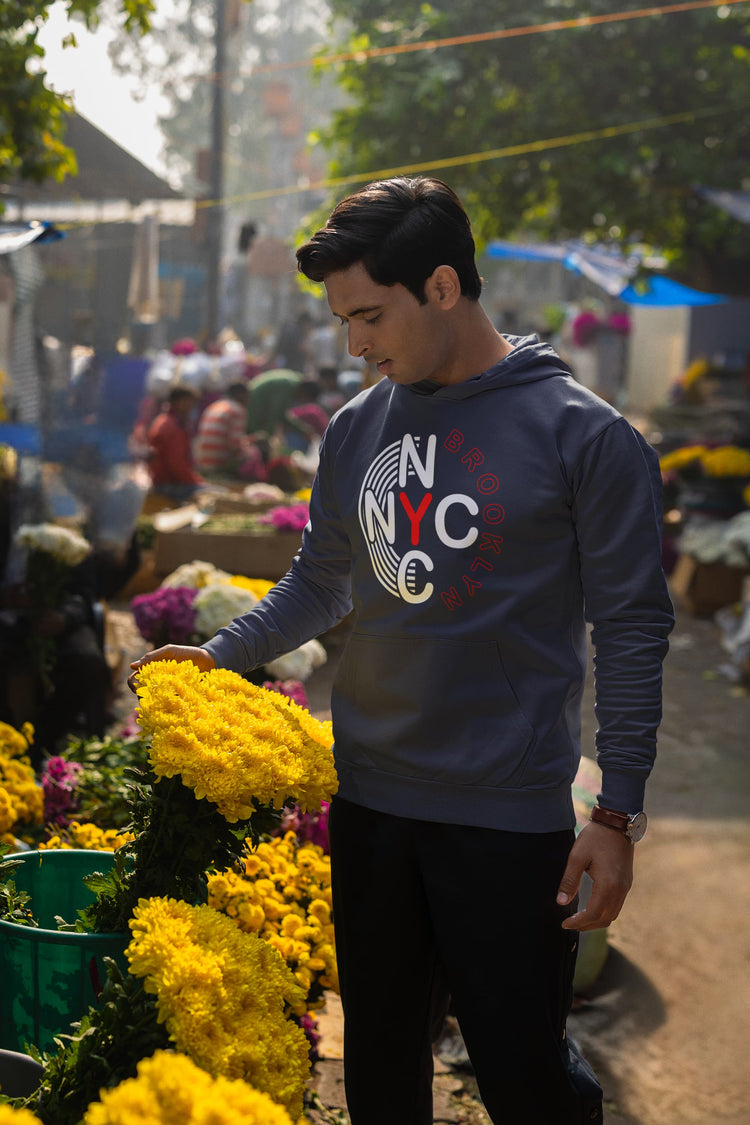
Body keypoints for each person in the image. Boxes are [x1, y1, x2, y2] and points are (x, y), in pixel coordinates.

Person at [129, 176, 674, 1124]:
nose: (355, 345)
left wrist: (616, 814)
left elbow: (632, 627)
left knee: (525, 1080)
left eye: (370, 315)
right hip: (372, 807)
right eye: (343, 320)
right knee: (380, 1073)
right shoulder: (356, 429)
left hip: (508, 824)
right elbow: (319, 582)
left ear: (443, 288)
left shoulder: (585, 437)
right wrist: (218, 656)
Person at [145, 385, 204, 502]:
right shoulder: (170, 426)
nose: (190, 407)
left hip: (168, 481)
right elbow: (176, 464)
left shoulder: (168, 421)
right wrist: (196, 482)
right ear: (176, 402)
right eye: (187, 402)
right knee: (215, 494)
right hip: (166, 484)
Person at [194, 381, 252, 475]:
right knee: (256, 451)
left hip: (203, 463)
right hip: (220, 466)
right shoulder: (238, 410)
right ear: (241, 395)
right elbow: (234, 446)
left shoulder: (214, 406)